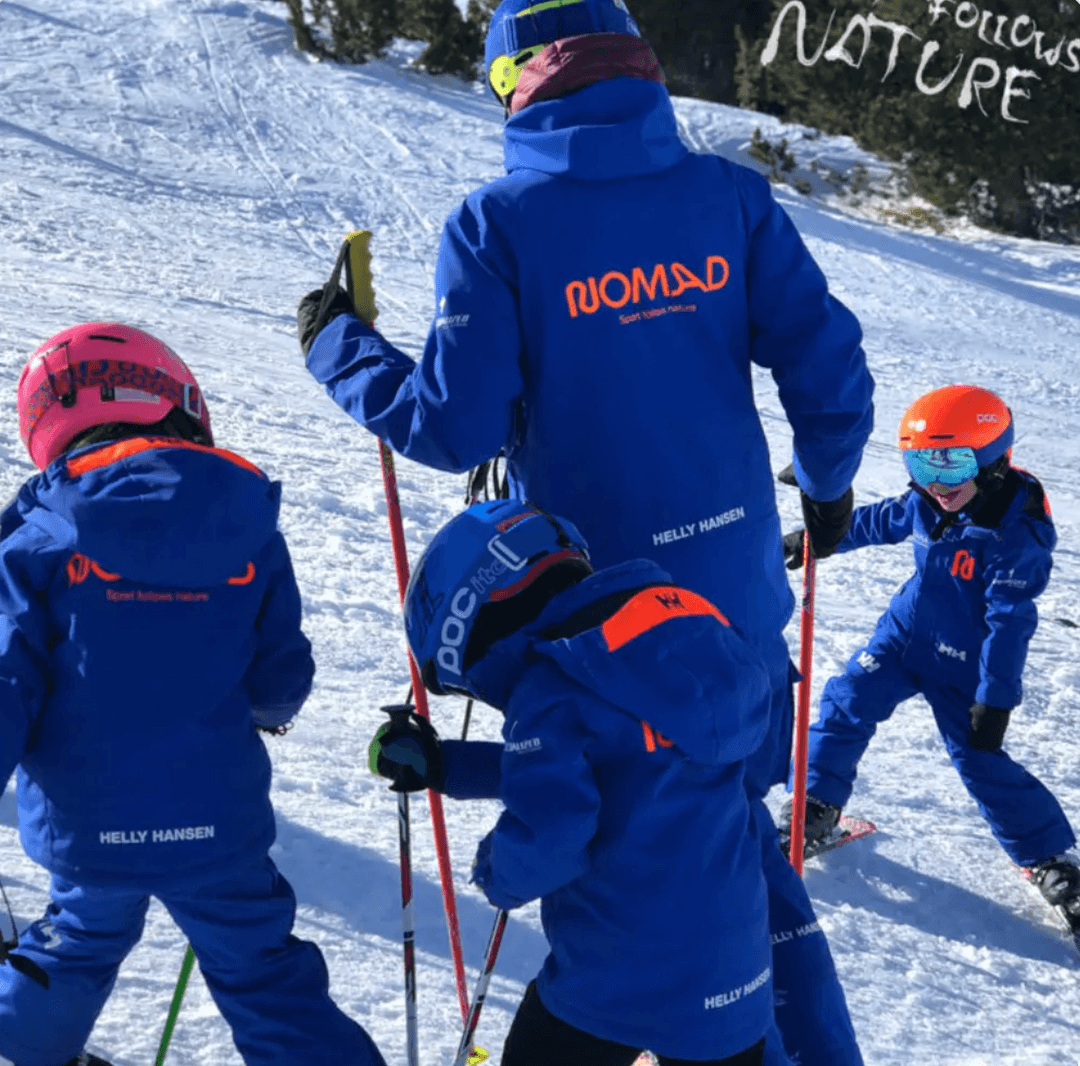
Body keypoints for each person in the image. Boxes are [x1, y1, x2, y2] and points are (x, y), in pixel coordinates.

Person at [298, 1, 875, 1061]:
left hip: (587, 620)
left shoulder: (501, 221)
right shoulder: (726, 196)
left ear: (517, 80)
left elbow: (453, 423)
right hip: (733, 601)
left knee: (626, 844)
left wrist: (340, 346)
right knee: (728, 841)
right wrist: (829, 486)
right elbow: (828, 364)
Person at [0, 323, 388, 1066]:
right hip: (216, 825)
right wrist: (266, 711)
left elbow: (5, 682)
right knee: (264, 971)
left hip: (89, 828)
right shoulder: (243, 526)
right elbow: (280, 674)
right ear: (175, 397)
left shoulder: (39, 539)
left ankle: (19, 1047)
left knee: (75, 949)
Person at [370, 499, 775, 1066]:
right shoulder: (676, 640)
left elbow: (551, 837)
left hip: (617, 976)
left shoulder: (551, 684)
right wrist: (445, 766)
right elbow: (607, 763)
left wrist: (498, 872)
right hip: (736, 971)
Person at [780, 385, 1080, 932]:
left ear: (993, 458)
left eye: (953, 461)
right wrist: (816, 539)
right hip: (903, 637)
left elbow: (1009, 624)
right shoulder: (927, 498)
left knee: (980, 761)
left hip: (964, 665)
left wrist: (995, 701)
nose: (937, 480)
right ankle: (815, 807)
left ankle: (1050, 858)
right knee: (845, 703)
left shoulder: (1017, 535)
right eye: (921, 461)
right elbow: (878, 521)